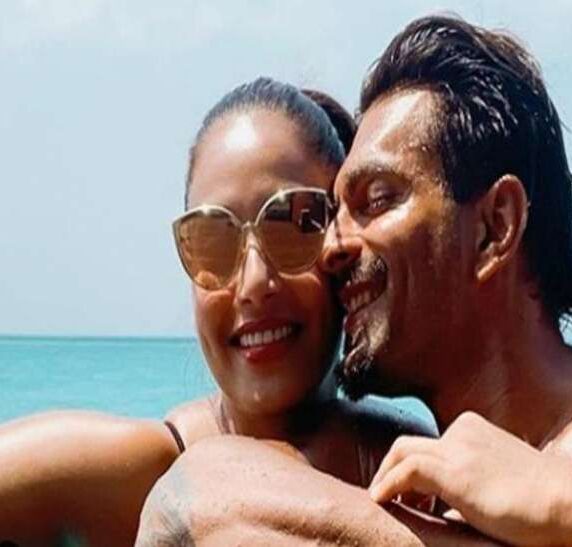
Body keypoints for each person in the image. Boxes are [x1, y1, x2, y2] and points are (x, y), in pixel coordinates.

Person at [137, 14, 572, 546]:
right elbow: (190, 505)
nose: (333, 247)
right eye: (333, 213)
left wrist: (548, 491)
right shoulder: (404, 497)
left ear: (493, 227)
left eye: (375, 201)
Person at [0, 78, 432, 546]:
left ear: (342, 244)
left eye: (291, 224)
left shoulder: (408, 462)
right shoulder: (139, 472)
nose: (253, 284)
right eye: (211, 239)